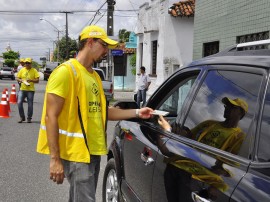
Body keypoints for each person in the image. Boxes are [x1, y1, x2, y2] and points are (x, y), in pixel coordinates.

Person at [36, 25, 153, 202]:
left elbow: (103, 112)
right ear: (90, 42)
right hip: (76, 153)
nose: (106, 51)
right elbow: (50, 116)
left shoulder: (95, 77)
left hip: (93, 151)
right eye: (104, 45)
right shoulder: (66, 73)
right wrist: (55, 159)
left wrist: (137, 112)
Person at [158, 97, 248, 201]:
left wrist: (214, 187)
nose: (227, 108)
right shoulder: (209, 124)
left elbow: (231, 167)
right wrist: (172, 129)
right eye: (226, 105)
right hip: (175, 166)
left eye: (232, 107)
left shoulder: (238, 137)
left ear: (240, 113)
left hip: (195, 177)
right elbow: (189, 135)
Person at [16, 58, 40, 123]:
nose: (27, 64)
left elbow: (37, 80)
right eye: (26, 63)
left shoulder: (34, 70)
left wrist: (31, 80)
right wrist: (20, 80)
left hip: (30, 90)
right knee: (19, 102)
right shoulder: (22, 70)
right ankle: (22, 117)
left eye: (28, 63)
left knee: (30, 104)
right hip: (22, 89)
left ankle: (29, 118)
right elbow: (17, 78)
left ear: (31, 63)